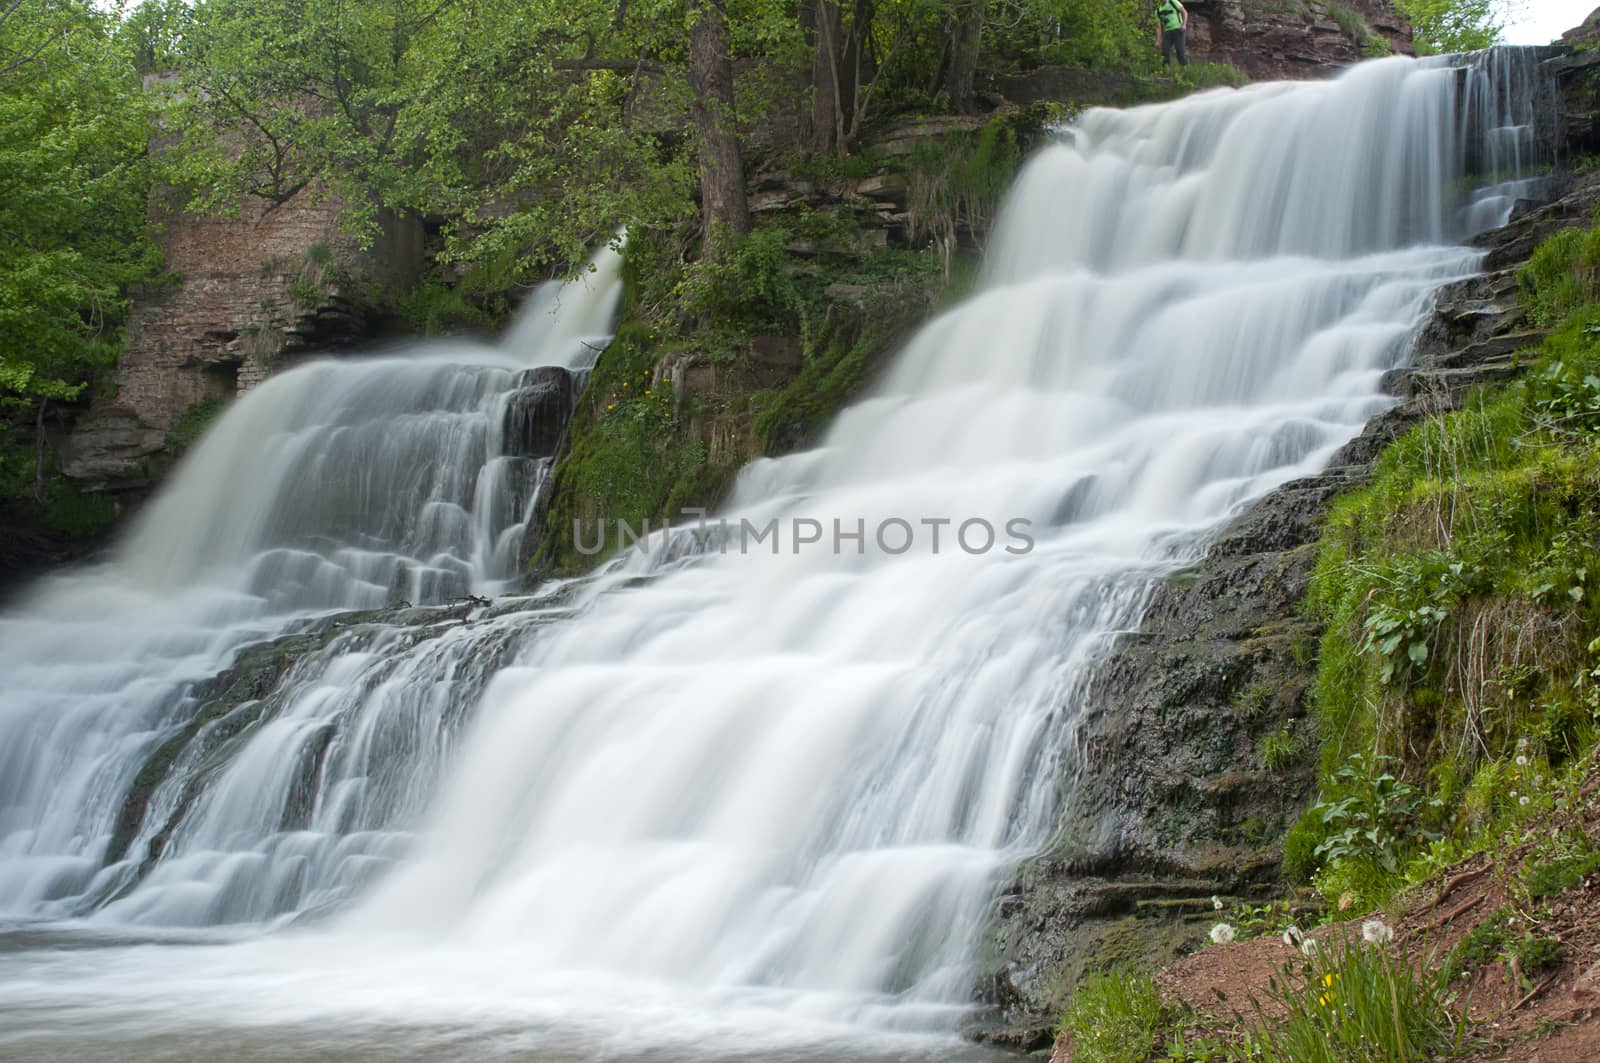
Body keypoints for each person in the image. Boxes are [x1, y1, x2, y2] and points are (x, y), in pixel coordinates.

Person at [1156, 0, 1188, 69]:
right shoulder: (1158, 10)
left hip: (1178, 29)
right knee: (1165, 51)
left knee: (1180, 51)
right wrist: (1158, 41)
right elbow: (1158, 27)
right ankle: (1166, 70)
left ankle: (1184, 69)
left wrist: (1184, 24)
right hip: (1167, 32)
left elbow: (1184, 12)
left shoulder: (1172, 2)